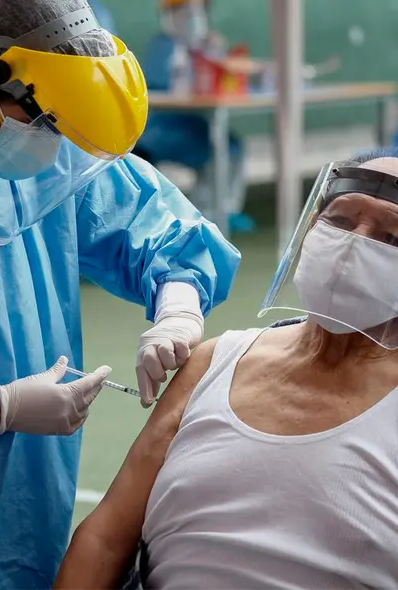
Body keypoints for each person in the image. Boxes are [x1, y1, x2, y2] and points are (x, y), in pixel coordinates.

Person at [0, 1, 240, 588]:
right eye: (44, 127)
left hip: (30, 510)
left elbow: (159, 224)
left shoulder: (41, 140)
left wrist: (179, 307)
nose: (53, 146)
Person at [57, 152, 398, 589]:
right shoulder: (214, 363)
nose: (355, 245)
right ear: (312, 227)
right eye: (342, 220)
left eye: (390, 237)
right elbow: (104, 539)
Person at [135, 0, 252, 232]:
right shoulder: (162, 46)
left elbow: (215, 83)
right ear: (170, 15)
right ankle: (202, 216)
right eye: (185, 11)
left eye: (200, 11)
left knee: (233, 146)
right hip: (160, 126)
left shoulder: (207, 45)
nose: (193, 17)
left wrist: (214, 55)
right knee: (218, 148)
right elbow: (160, 90)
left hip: (189, 122)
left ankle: (224, 210)